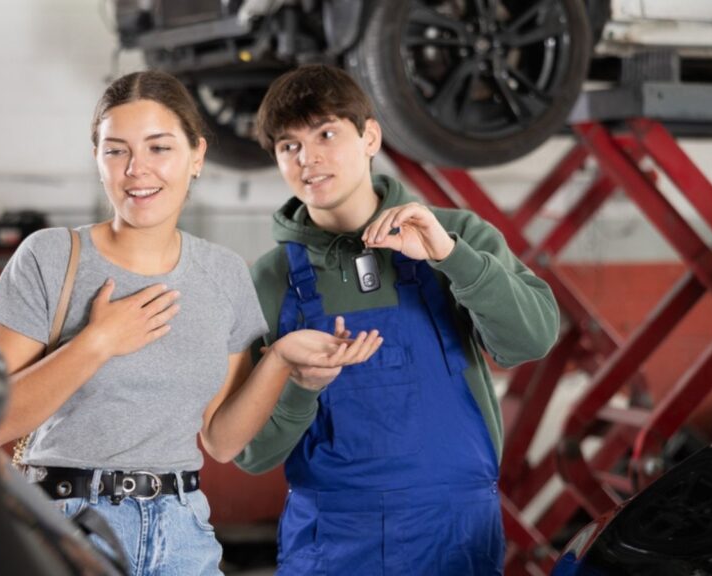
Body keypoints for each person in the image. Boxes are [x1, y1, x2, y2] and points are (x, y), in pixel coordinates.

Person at [0, 70, 382, 575]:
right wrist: (98, 342)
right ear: (97, 160)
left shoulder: (224, 273)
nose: (136, 170)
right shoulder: (51, 257)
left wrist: (279, 360)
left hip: (182, 532)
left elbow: (222, 440)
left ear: (196, 156)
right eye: (116, 150)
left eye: (158, 148)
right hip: (71, 525)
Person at [233, 64, 560, 574]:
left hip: (457, 536)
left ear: (369, 137)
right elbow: (250, 452)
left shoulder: (456, 234)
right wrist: (303, 386)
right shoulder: (270, 280)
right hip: (334, 543)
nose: (309, 159)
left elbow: (531, 341)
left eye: (326, 134)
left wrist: (451, 257)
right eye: (288, 145)